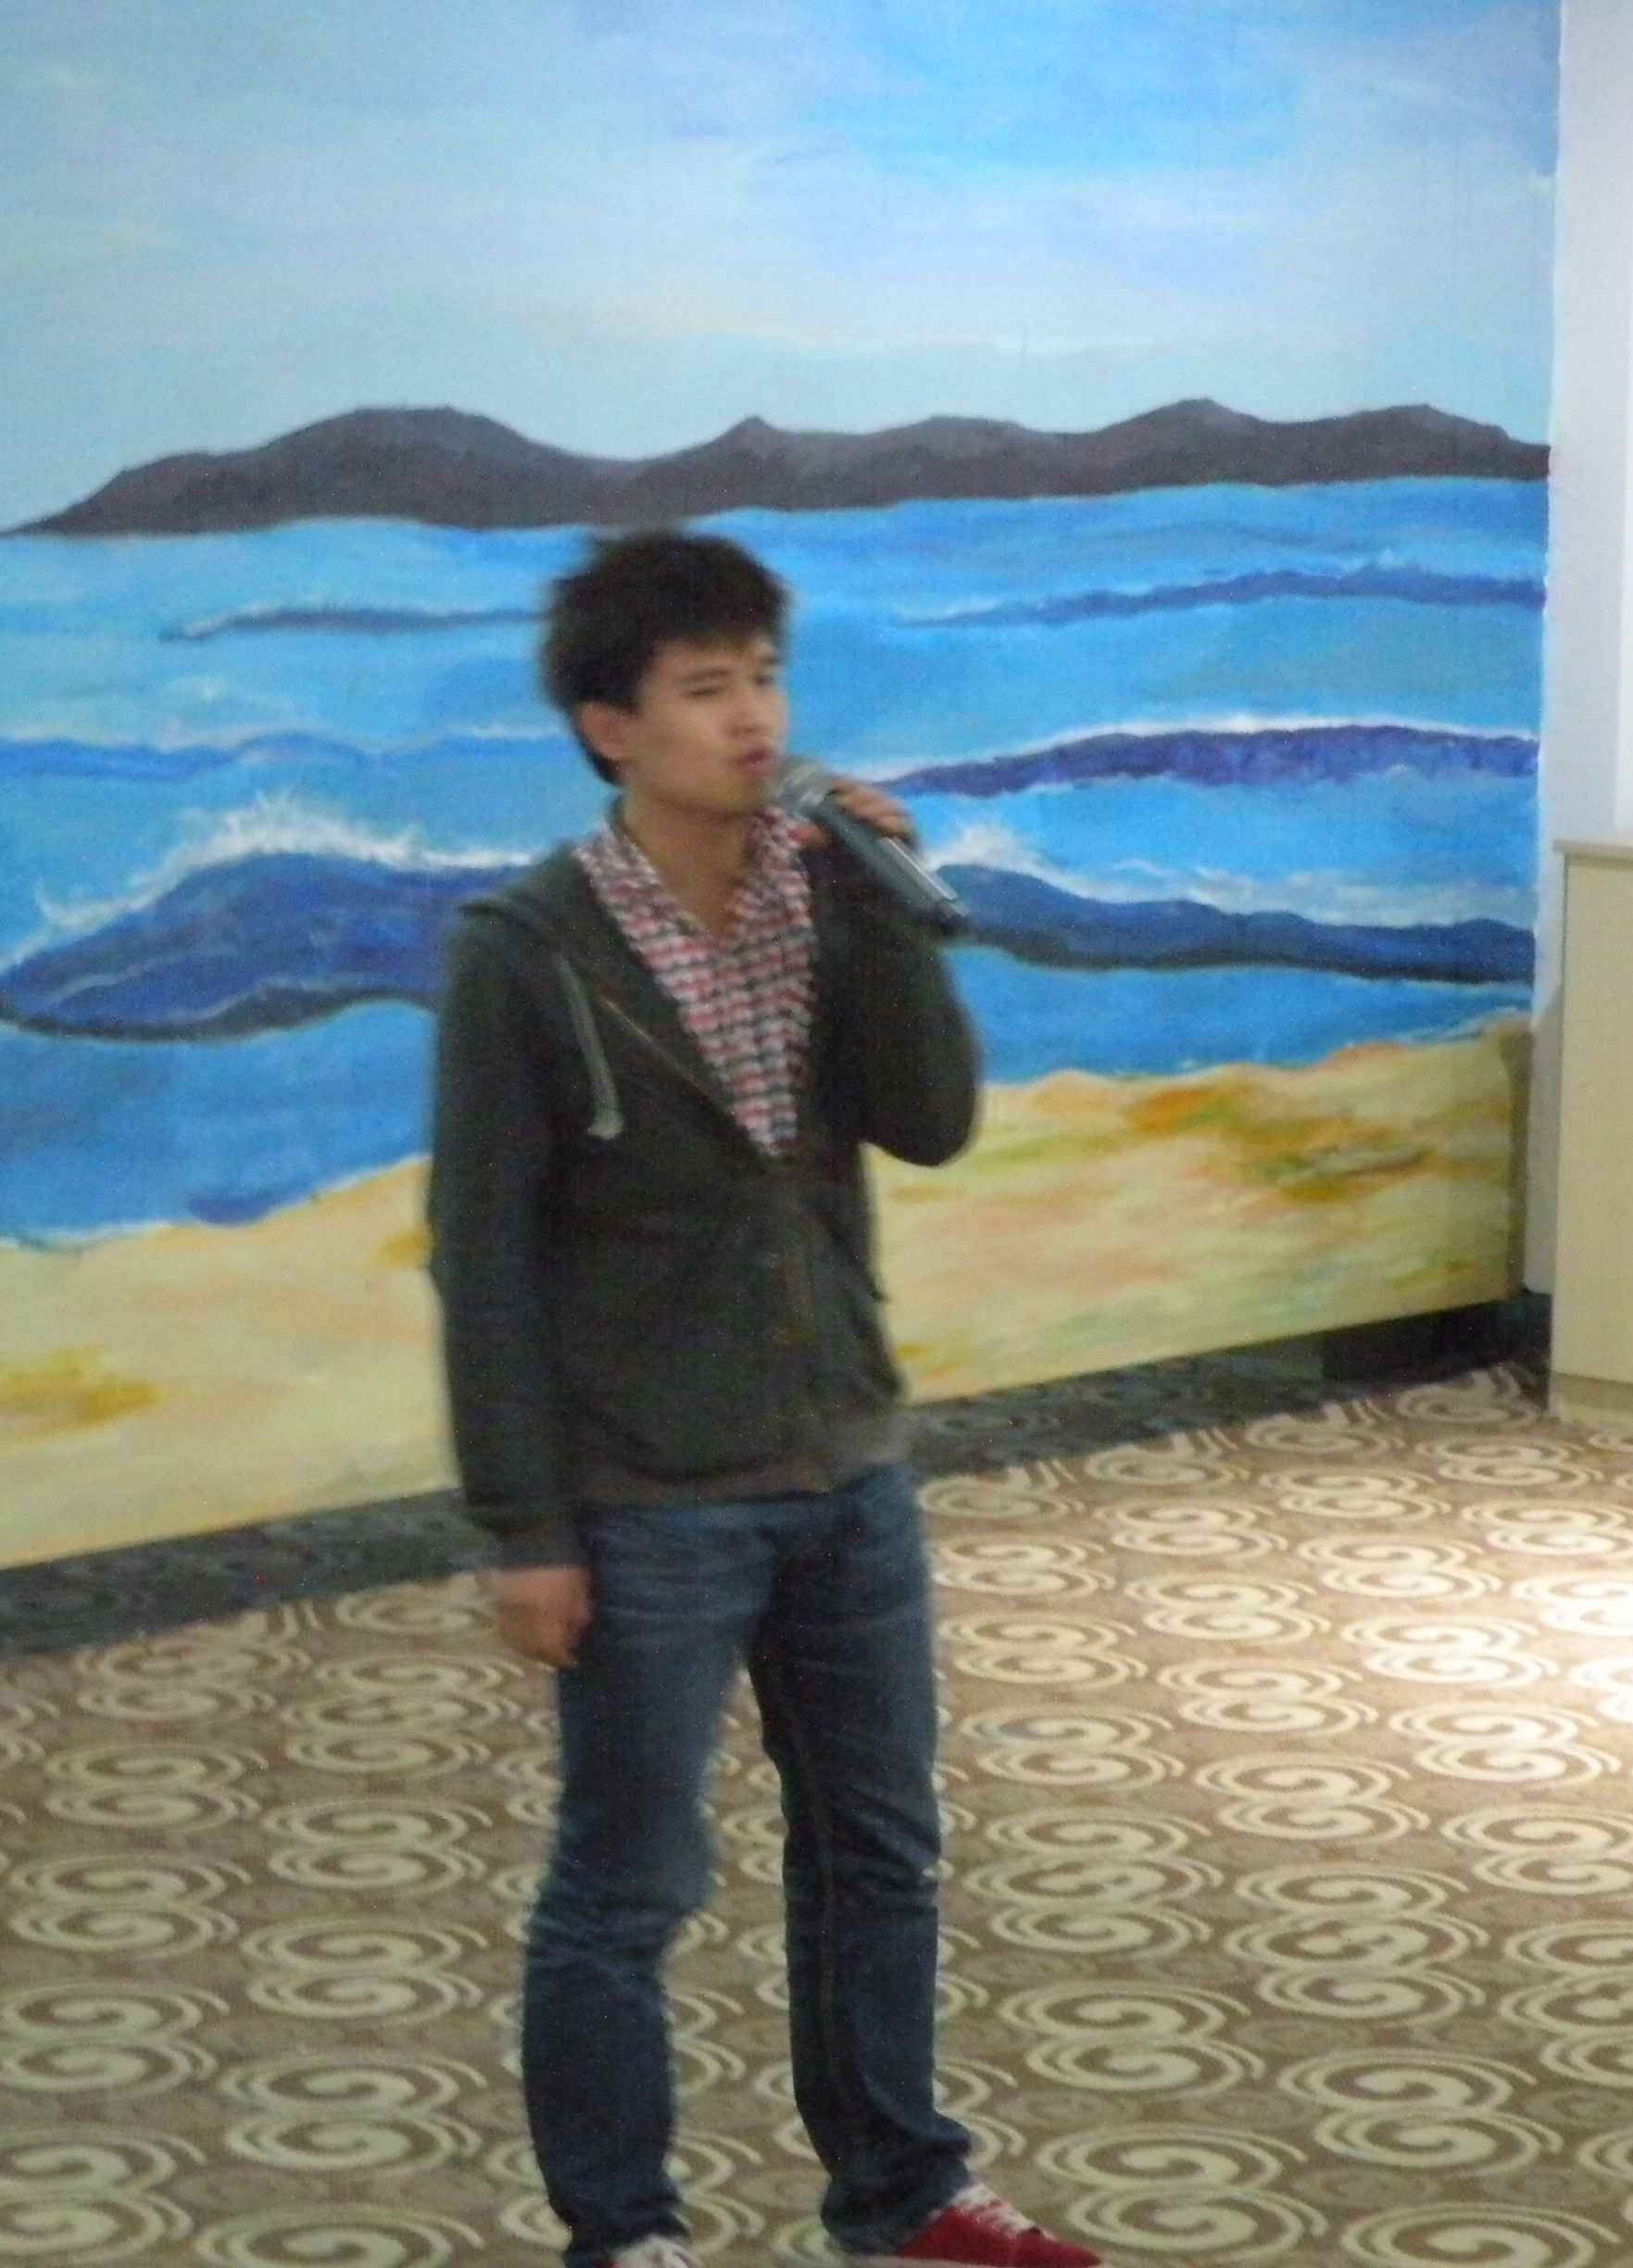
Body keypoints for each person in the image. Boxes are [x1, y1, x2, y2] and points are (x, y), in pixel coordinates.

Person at [426, 528, 1099, 2268]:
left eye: (767, 680)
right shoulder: (527, 948)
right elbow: (483, 1258)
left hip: (847, 1464)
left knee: (881, 1850)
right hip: (651, 1494)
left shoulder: (826, 891)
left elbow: (931, 1122)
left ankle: (902, 2192)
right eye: (707, 688)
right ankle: (624, 2232)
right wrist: (526, 1525)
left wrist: (886, 908)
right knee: (628, 1884)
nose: (753, 719)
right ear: (611, 728)